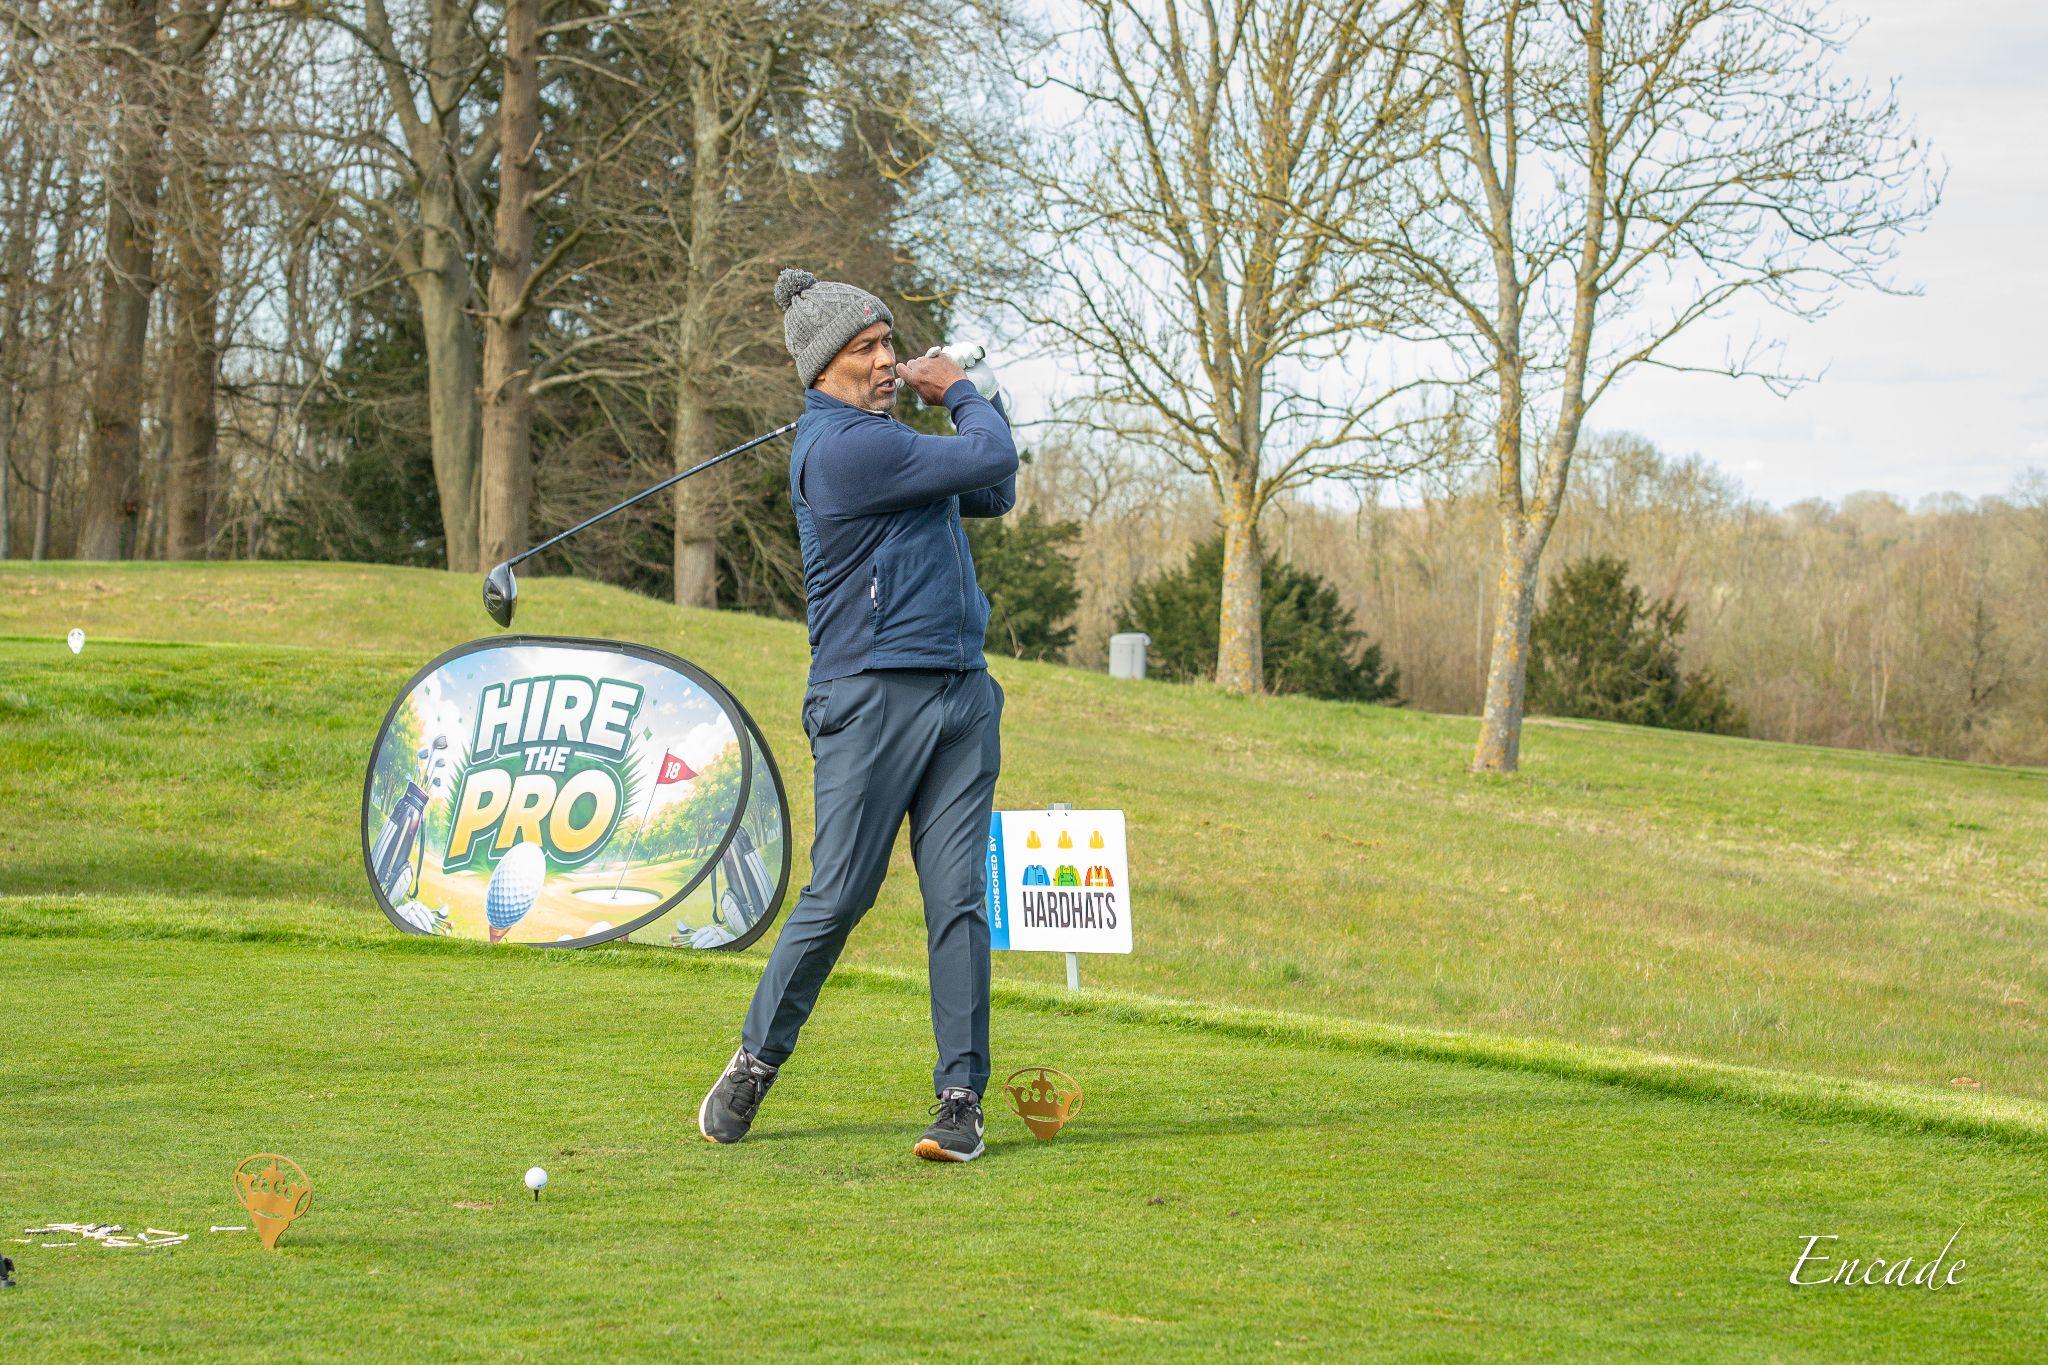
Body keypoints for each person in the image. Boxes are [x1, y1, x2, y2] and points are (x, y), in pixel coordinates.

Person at [698, 268, 1017, 1162]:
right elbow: (986, 456)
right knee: (841, 891)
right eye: (865, 349)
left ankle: (960, 1099)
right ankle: (756, 1061)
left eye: (888, 344)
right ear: (822, 368)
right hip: (872, 695)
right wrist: (958, 391)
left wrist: (981, 390)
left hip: (961, 693)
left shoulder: (891, 442)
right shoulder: (844, 449)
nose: (885, 361)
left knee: (958, 899)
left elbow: (996, 487)